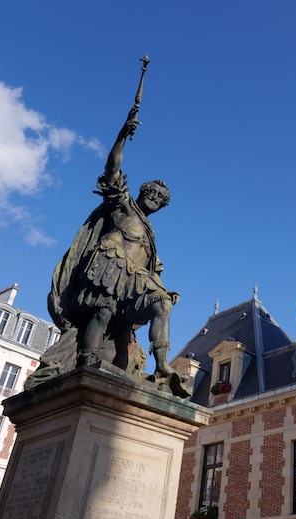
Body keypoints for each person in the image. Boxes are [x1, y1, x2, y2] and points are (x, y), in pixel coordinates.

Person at [31, 103, 188, 396]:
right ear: (142, 192)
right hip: (108, 268)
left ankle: (163, 367)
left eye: (161, 198)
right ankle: (86, 363)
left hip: (134, 280)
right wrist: (121, 136)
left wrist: (162, 287)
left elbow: (150, 269)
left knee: (162, 304)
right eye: (152, 193)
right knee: (102, 312)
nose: (155, 198)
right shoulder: (123, 206)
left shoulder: (150, 235)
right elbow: (112, 168)